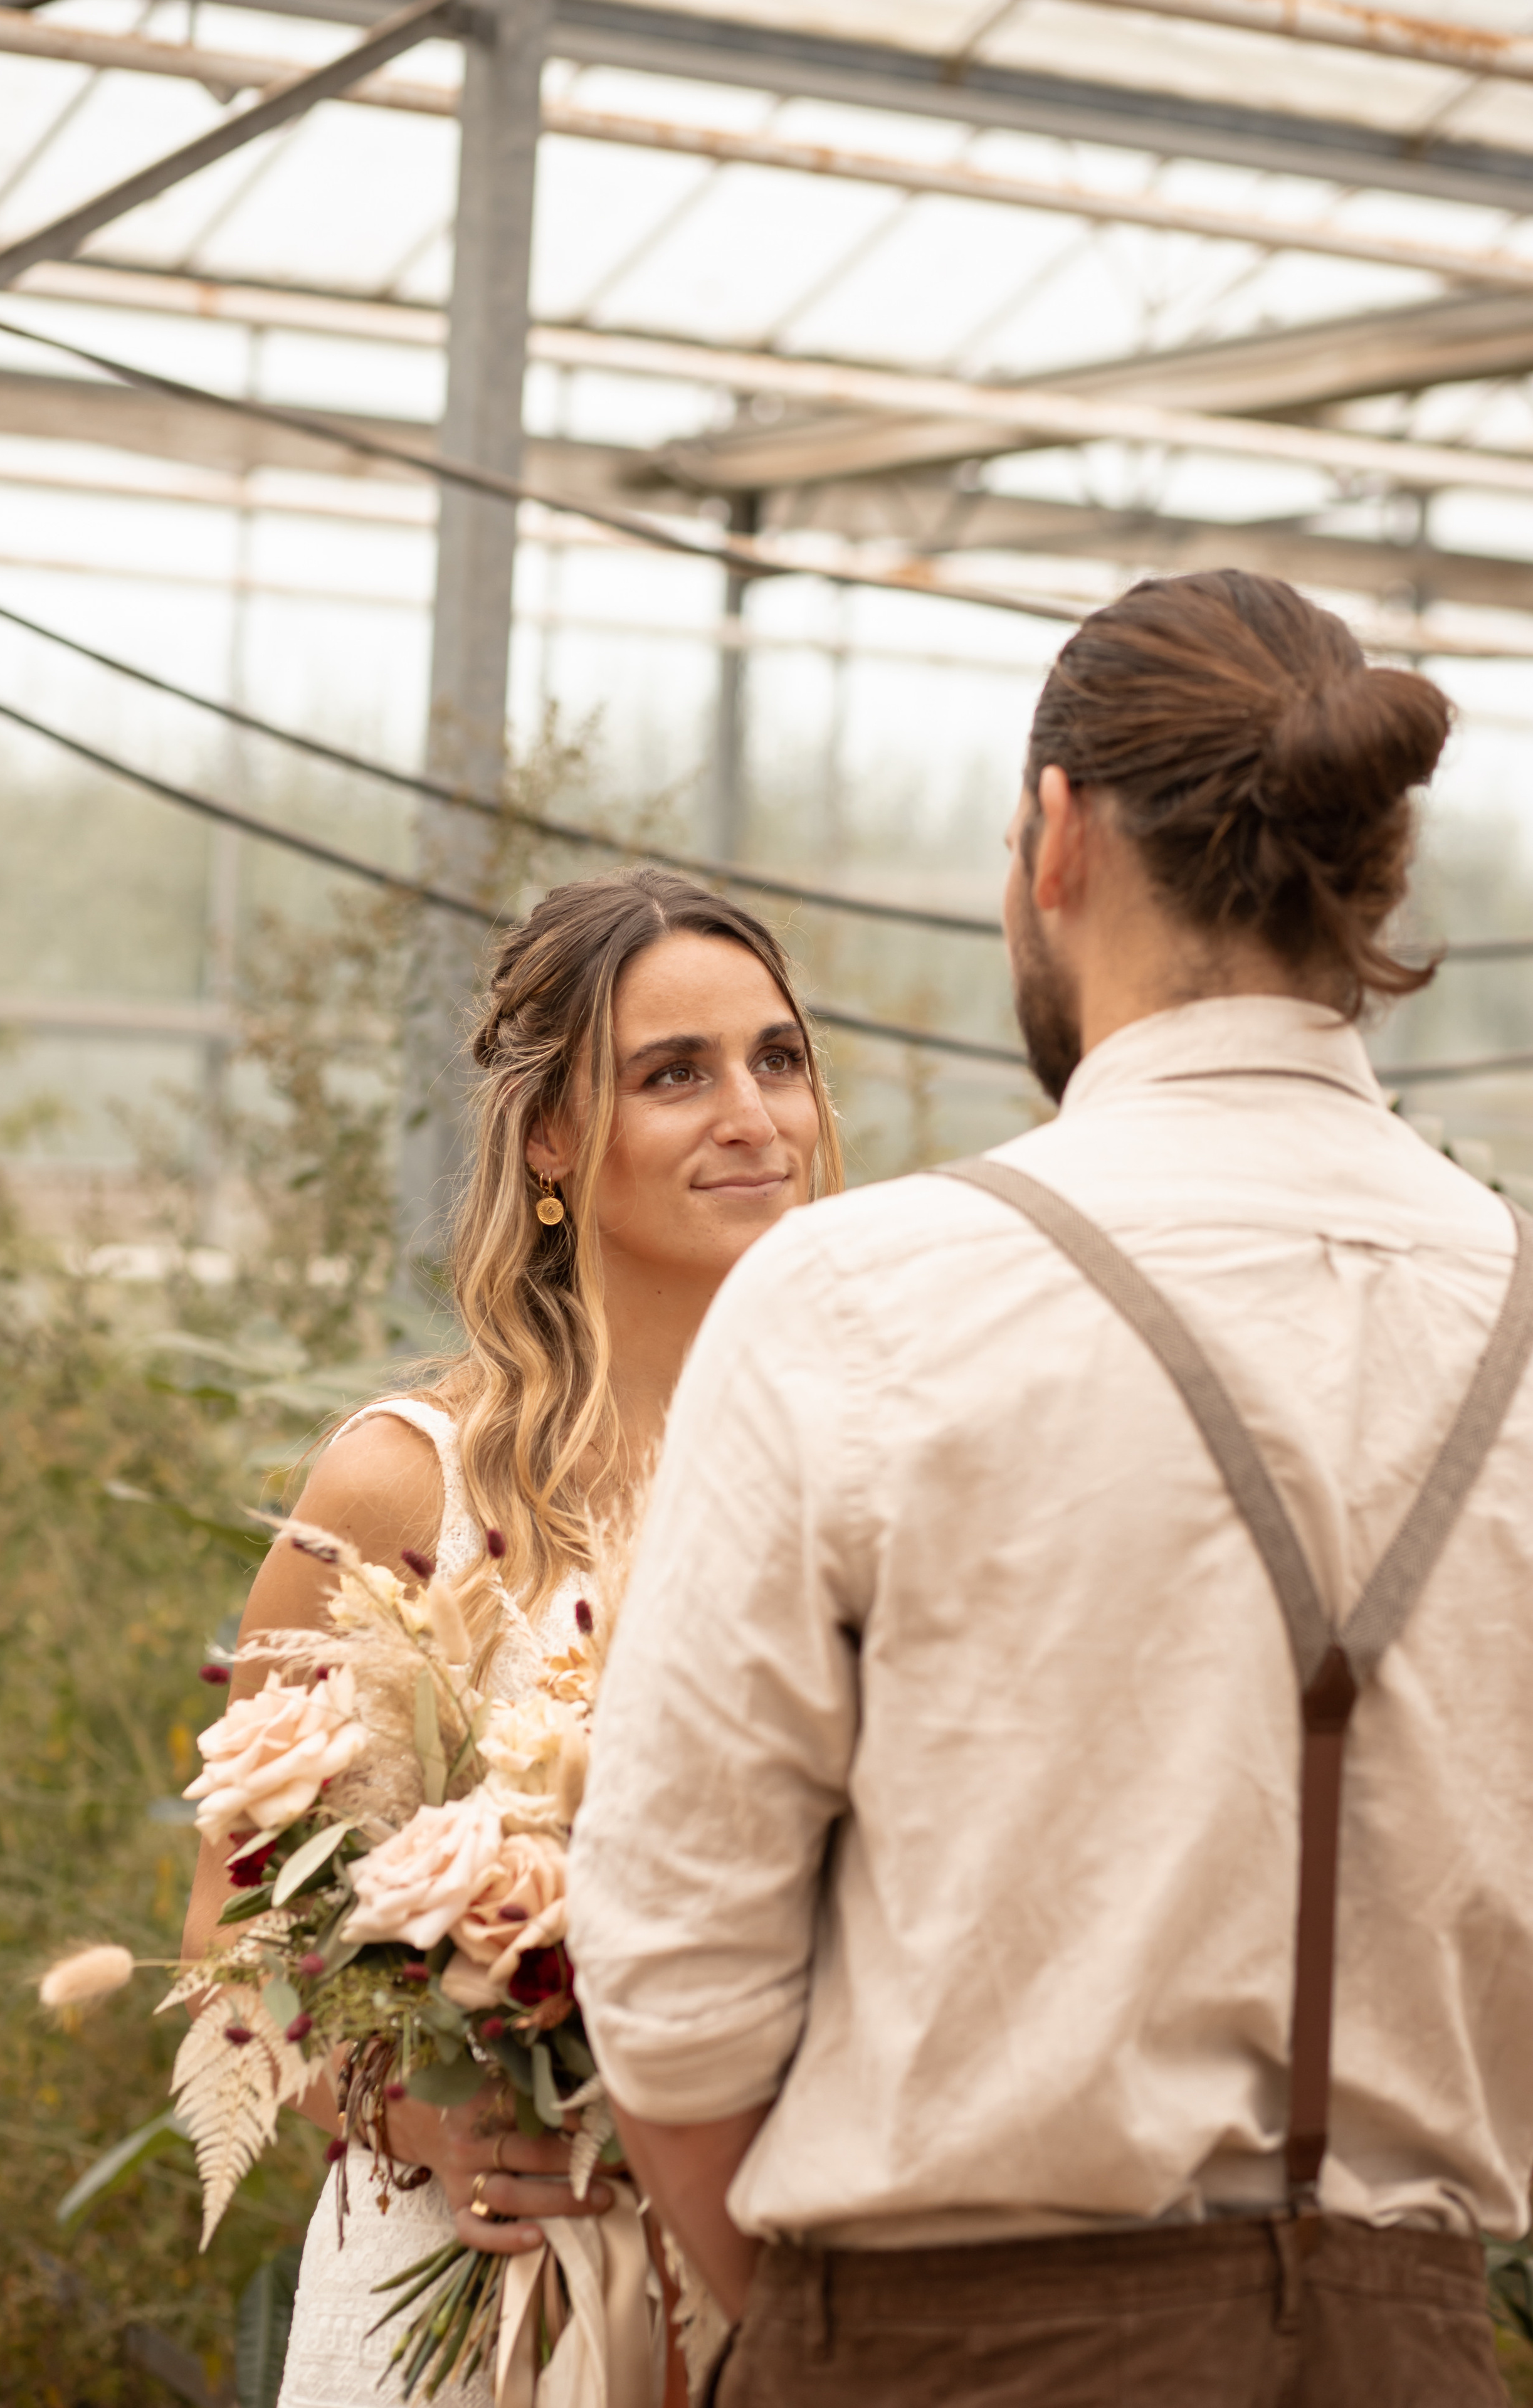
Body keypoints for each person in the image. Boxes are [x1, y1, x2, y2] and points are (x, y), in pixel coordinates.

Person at [567, 571, 1533, 2405]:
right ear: (1375, 866)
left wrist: (827, 2330)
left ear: (1056, 837)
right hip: (1416, 2352)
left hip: (951, 2343)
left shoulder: (863, 1295)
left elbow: (675, 1974)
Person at [181, 866, 843, 2408]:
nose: (752, 1114)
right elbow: (227, 1941)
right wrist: (421, 2116)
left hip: (774, 2292)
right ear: (551, 1136)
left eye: (778, 1059)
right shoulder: (403, 1480)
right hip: (482, 2298)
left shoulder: (864, 1470)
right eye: (674, 1075)